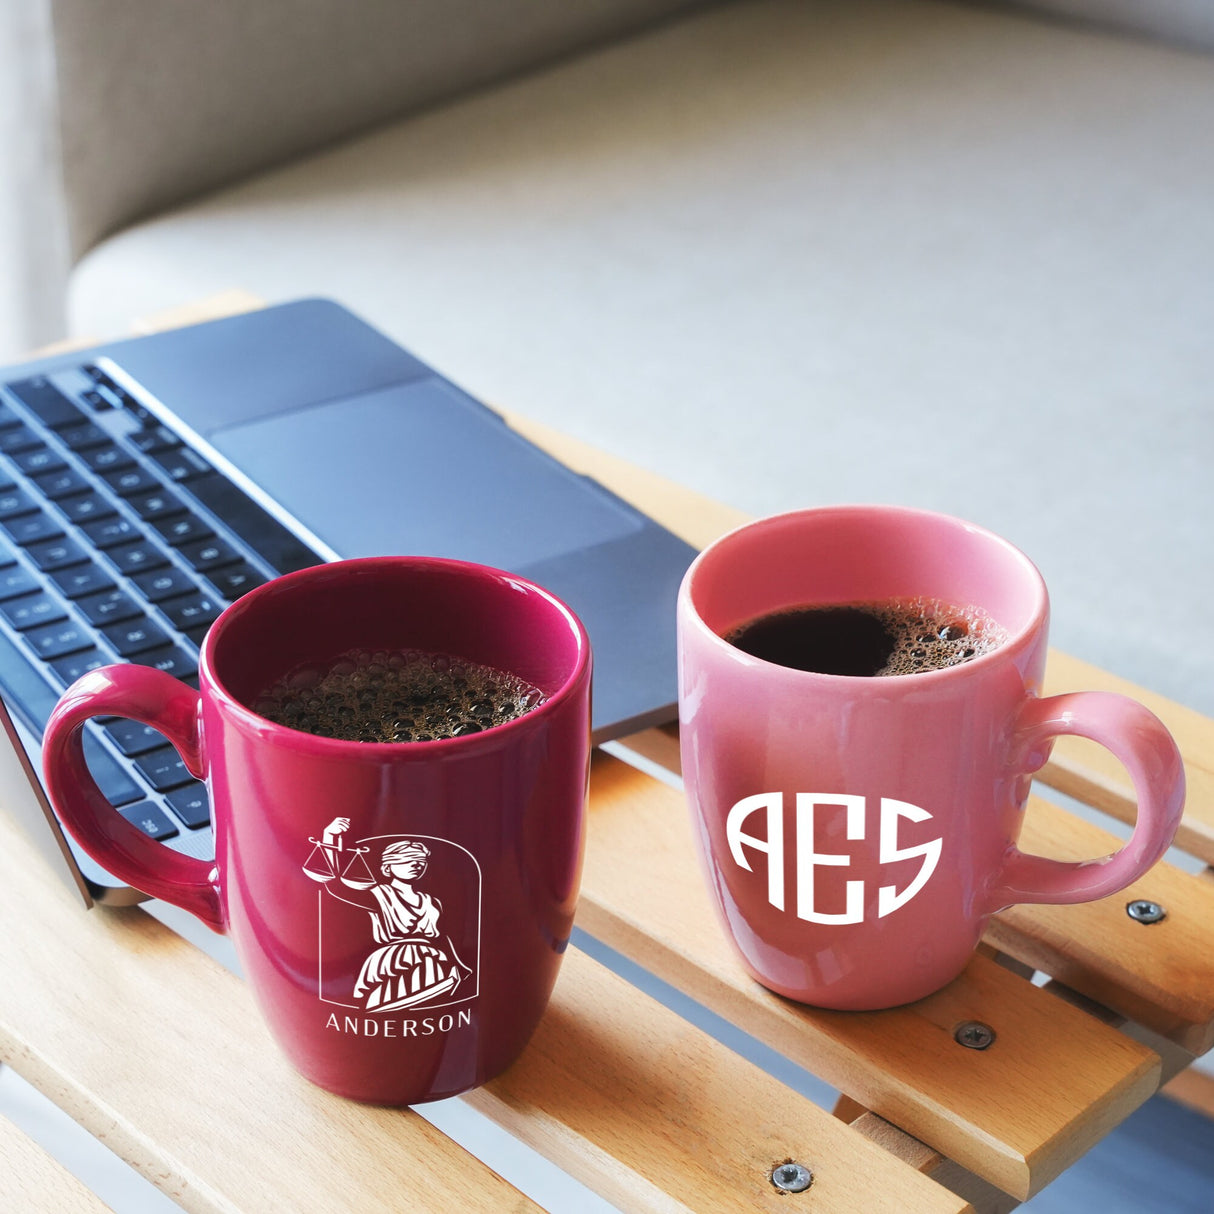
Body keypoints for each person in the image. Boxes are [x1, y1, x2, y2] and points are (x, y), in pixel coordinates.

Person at [317, 817, 471, 1012]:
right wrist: (329, 838)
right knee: (390, 1004)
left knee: (429, 1007)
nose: (415, 864)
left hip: (431, 962)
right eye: (407, 859)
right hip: (397, 962)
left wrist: (457, 965)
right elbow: (335, 886)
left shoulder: (431, 902)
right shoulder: (379, 894)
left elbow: (441, 937)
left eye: (420, 860)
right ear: (388, 867)